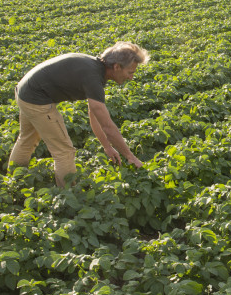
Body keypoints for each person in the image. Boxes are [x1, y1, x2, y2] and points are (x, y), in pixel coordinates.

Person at [8, 41, 148, 187]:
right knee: (64, 151)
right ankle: (68, 196)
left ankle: (13, 181)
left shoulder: (95, 69)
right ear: (117, 67)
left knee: (26, 139)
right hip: (36, 98)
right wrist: (130, 157)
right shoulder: (93, 77)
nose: (131, 77)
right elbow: (108, 127)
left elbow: (94, 115)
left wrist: (107, 146)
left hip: (24, 90)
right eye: (130, 72)